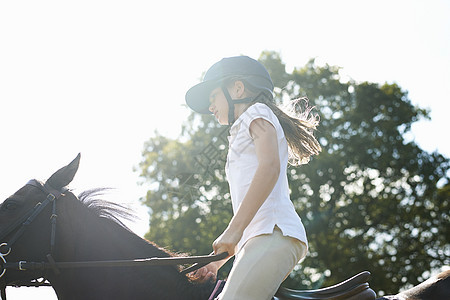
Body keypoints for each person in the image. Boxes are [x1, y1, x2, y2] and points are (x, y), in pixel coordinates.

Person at [185, 55, 321, 300]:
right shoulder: (243, 127)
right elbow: (253, 213)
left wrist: (232, 231)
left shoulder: (255, 113)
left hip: (274, 234)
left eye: (213, 97)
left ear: (237, 88)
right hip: (262, 238)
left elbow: (270, 168)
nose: (210, 107)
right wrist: (218, 262)